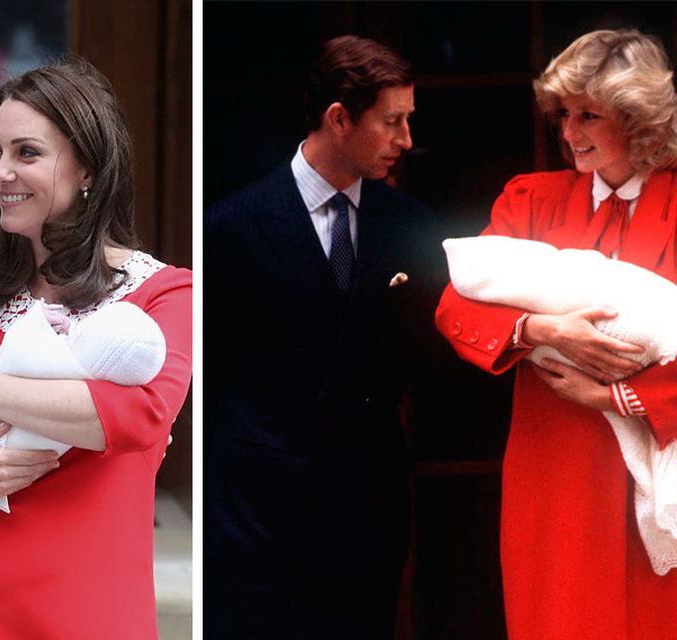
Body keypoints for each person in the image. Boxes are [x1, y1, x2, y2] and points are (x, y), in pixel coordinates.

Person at [0, 57, 193, 639]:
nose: (1, 172)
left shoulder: (165, 294)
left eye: (26, 153)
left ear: (87, 167)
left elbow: (142, 416)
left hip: (91, 612)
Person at [435, 29, 677, 639]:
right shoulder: (530, 199)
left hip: (663, 460)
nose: (569, 132)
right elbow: (454, 302)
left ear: (639, 117)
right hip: (555, 465)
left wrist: (618, 396)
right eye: (564, 114)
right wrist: (541, 328)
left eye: (589, 115)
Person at [204, 35, 441, 638]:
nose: (406, 140)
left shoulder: (411, 227)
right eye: (392, 121)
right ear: (339, 118)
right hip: (255, 528)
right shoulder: (229, 227)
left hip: (366, 525)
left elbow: (428, 365)